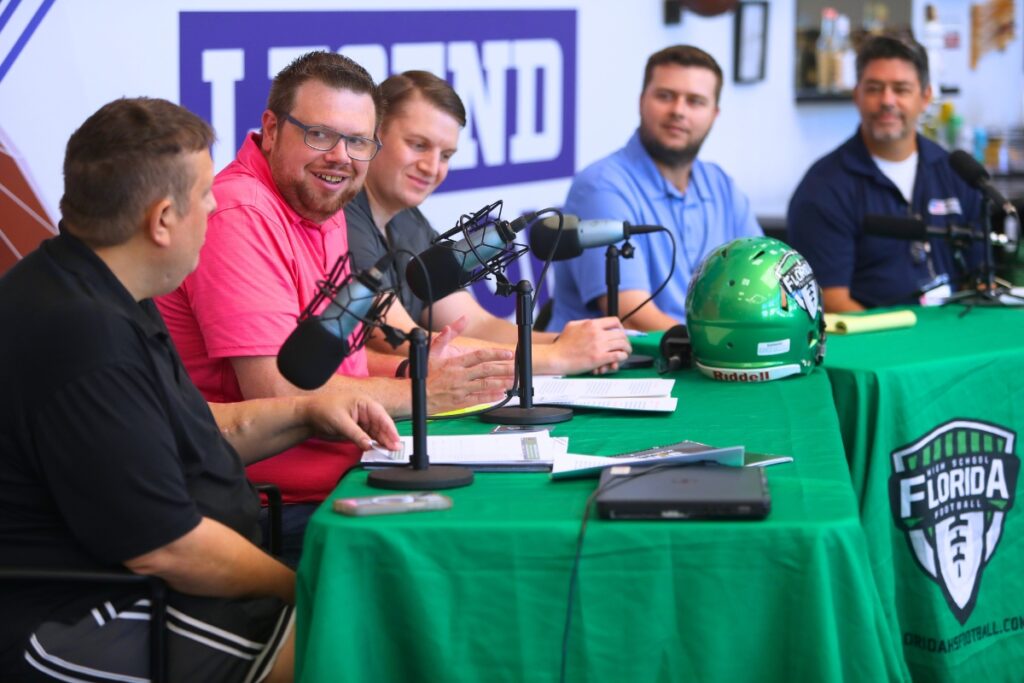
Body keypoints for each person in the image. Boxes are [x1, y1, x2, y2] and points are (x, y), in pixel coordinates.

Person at [0, 97, 401, 682]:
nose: (216, 207)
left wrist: (310, 410)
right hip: (82, 615)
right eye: (206, 195)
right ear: (162, 220)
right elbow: (168, 548)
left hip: (154, 584)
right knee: (367, 645)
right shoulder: (82, 336)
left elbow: (200, 431)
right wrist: (306, 586)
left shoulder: (106, 286)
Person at [156, 52, 513, 565]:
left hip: (348, 474)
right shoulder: (240, 213)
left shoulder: (322, 204)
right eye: (320, 135)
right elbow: (281, 390)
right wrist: (420, 392)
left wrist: (414, 368)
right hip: (272, 511)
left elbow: (338, 363)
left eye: (359, 142)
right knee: (471, 557)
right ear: (272, 128)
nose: (341, 157)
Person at [345, 70, 632, 375]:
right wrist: (557, 356)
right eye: (418, 145)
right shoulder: (344, 218)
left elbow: (476, 324)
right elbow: (406, 343)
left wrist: (570, 342)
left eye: (446, 155)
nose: (432, 167)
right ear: (372, 135)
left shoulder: (409, 221)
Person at [549, 44, 761, 332]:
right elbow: (632, 313)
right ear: (641, 101)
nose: (678, 111)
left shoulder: (721, 185)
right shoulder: (602, 186)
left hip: (701, 357)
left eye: (695, 101)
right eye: (665, 96)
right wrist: (718, 348)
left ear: (714, 114)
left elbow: (762, 280)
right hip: (625, 367)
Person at [787, 35, 981, 312]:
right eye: (875, 88)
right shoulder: (823, 187)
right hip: (874, 348)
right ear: (857, 95)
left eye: (901, 89)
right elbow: (831, 301)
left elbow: (980, 280)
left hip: (956, 333)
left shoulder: (957, 173)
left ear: (926, 97)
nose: (887, 101)